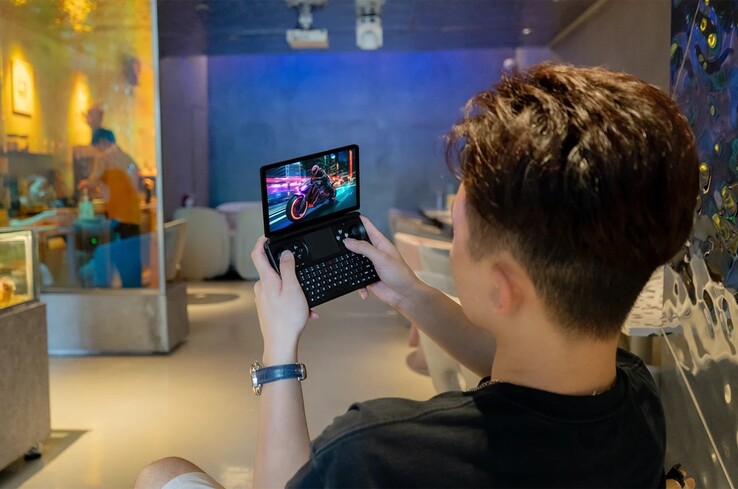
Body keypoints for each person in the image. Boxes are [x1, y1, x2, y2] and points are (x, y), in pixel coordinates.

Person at [135, 63, 698, 488]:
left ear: (501, 287)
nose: (453, 247)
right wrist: (407, 292)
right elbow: (526, 359)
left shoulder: (376, 453)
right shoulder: (641, 402)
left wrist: (279, 351)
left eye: (458, 233)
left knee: (162, 471)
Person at [78, 128, 143, 287]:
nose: (96, 152)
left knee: (118, 257)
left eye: (96, 148)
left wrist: (84, 184)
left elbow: (93, 180)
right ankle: (134, 292)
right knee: (132, 260)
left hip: (118, 215)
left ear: (102, 142)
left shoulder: (104, 157)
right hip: (133, 215)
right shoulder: (128, 158)